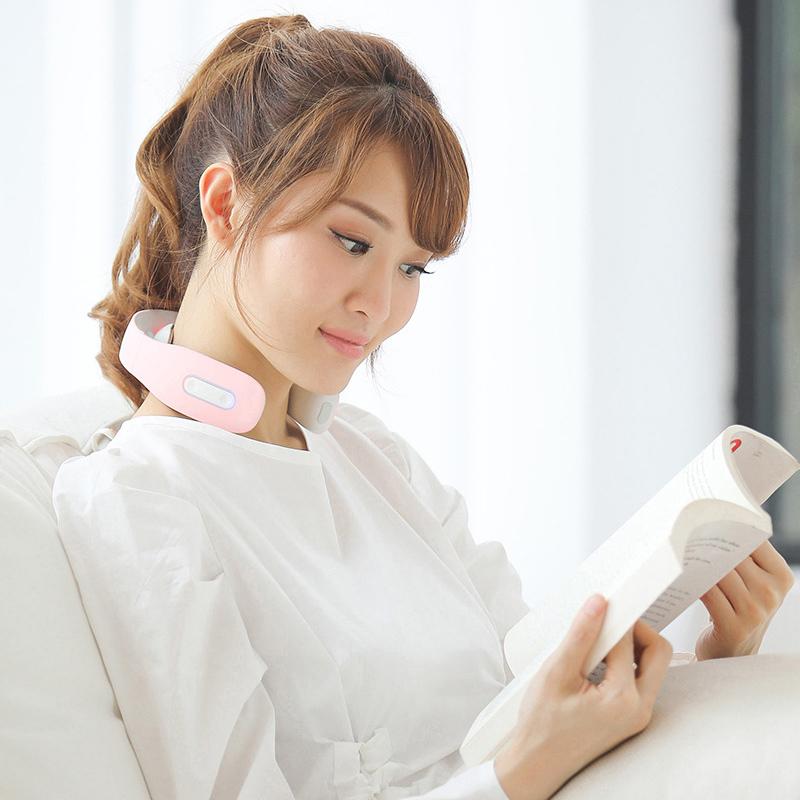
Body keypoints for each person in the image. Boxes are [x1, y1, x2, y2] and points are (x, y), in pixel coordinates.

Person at [51, 13, 794, 800]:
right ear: (227, 203)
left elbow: (530, 689)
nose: (379, 305)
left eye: (413, 268)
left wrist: (717, 656)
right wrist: (519, 774)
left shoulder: (376, 460)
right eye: (353, 241)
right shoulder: (135, 498)